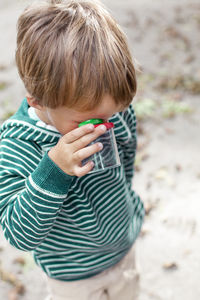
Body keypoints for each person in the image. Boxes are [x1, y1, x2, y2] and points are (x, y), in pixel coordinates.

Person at [0, 1, 145, 299]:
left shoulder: (111, 114)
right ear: (37, 101)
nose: (103, 126)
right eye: (89, 121)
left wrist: (127, 206)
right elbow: (19, 233)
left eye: (113, 113)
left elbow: (126, 163)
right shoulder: (18, 145)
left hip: (123, 250)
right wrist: (54, 170)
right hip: (73, 278)